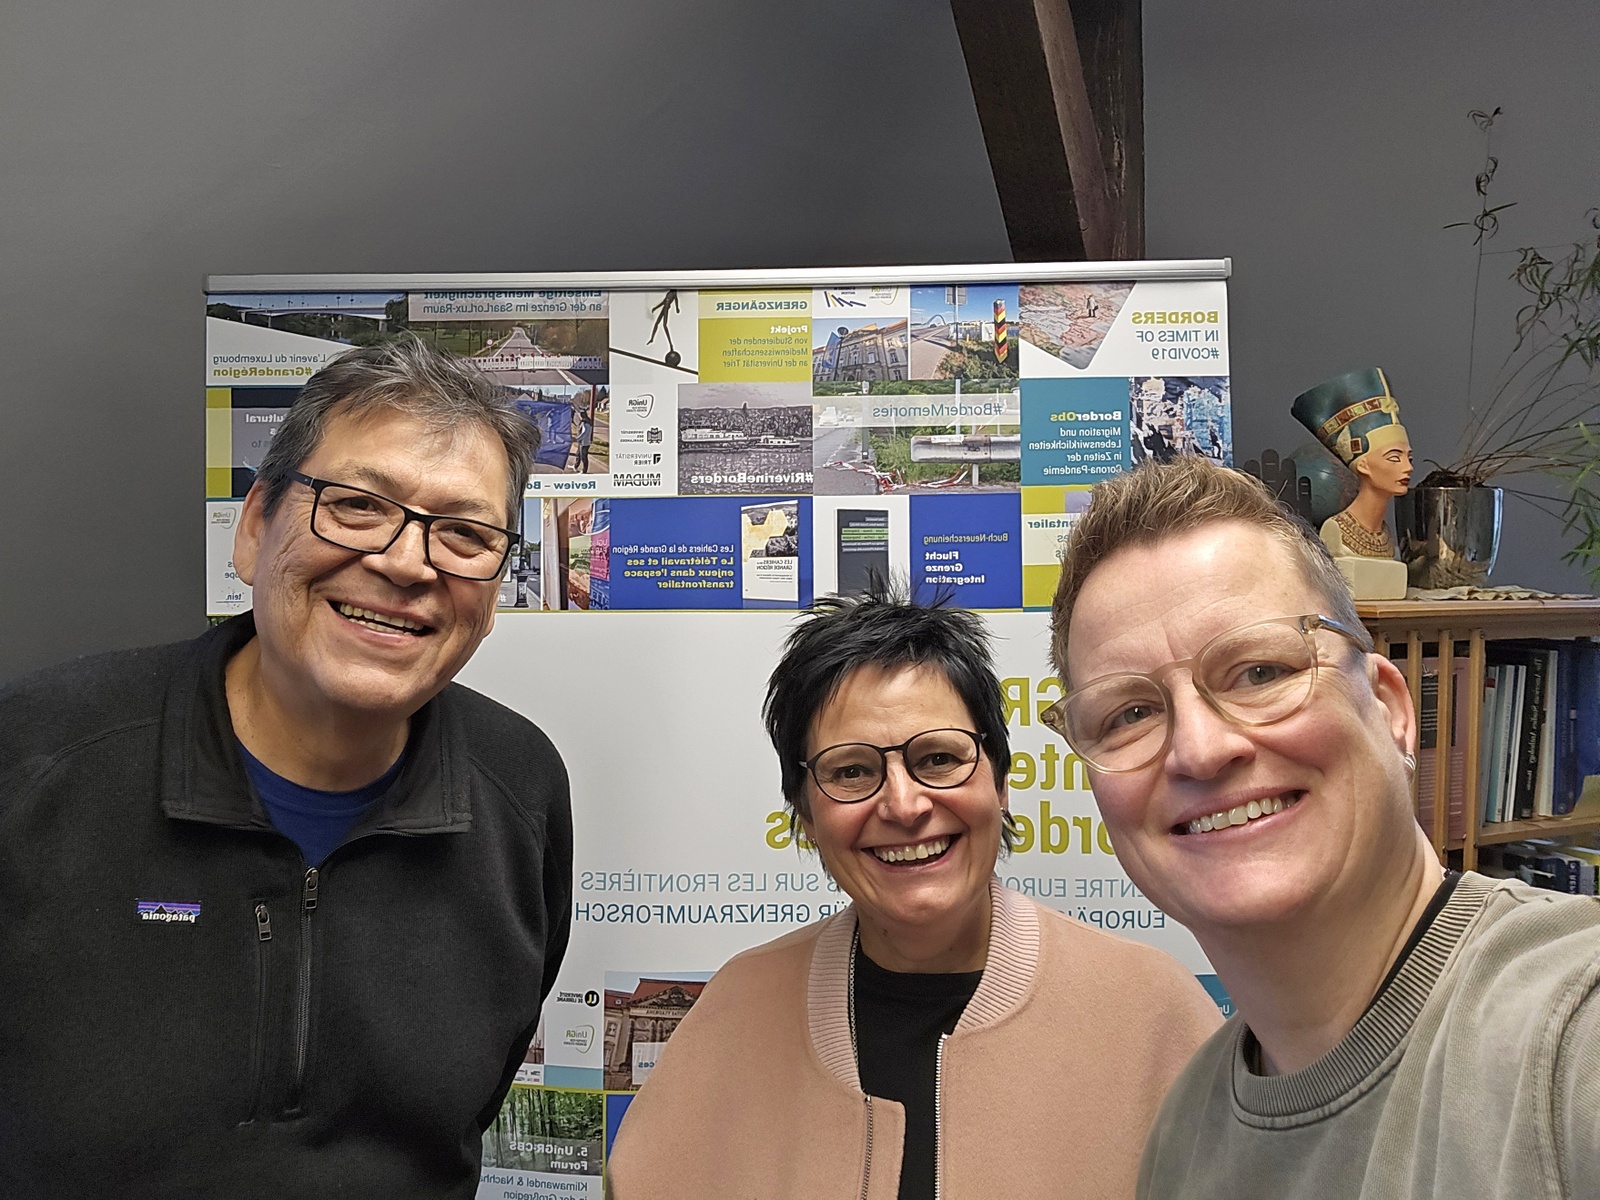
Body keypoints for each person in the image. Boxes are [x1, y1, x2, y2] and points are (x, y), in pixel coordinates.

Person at [0, 338, 574, 1200]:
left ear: (493, 593)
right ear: (257, 526)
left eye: (463, 533)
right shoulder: (40, 757)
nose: (407, 562)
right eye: (357, 506)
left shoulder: (517, 790)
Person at [1045, 456, 1600, 1199]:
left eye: (1261, 671)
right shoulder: (1183, 1137)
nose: (1201, 750)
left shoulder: (1569, 1033)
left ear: (1392, 708)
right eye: (1131, 714)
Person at [609, 588, 1220, 1199]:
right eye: (851, 771)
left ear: (1001, 783)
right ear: (805, 815)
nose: (903, 805)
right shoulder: (736, 1010)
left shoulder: (1152, 1013)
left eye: (938, 758)